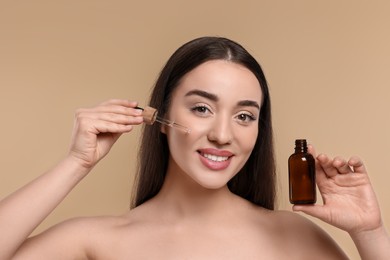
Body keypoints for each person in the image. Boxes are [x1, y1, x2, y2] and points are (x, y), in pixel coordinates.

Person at [0, 36, 389, 259]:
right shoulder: (97, 240)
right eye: (202, 108)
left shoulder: (294, 236)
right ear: (161, 116)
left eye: (244, 116)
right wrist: (76, 163)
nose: (223, 135)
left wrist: (370, 233)